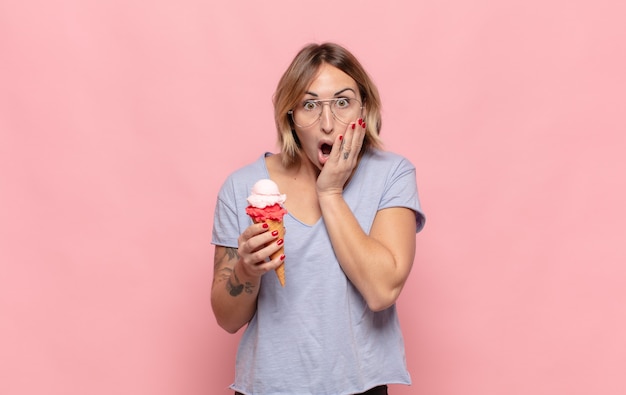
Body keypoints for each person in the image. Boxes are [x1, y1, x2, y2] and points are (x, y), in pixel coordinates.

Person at [211, 42, 425, 395]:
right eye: (309, 105)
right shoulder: (242, 186)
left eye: (343, 102)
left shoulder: (392, 175)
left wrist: (330, 193)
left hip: (360, 387)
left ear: (364, 106)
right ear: (290, 116)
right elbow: (227, 319)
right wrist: (246, 270)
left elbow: (382, 290)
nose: (328, 124)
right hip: (267, 387)